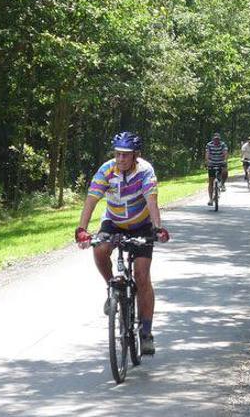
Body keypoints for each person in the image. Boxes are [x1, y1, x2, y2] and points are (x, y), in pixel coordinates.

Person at [74, 131, 170, 356]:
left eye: (125, 155)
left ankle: (146, 333)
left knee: (142, 275)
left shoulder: (145, 171)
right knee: (99, 250)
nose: (120, 159)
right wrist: (81, 230)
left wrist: (157, 228)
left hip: (141, 225)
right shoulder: (106, 170)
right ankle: (112, 288)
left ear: (136, 155)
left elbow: (151, 200)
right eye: (117, 154)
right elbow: (91, 199)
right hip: (113, 221)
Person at [205, 133, 228, 205]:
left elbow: (225, 153)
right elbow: (207, 153)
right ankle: (211, 199)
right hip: (211, 163)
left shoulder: (223, 144)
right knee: (211, 181)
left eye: (217, 139)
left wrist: (225, 160)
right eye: (215, 139)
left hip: (221, 162)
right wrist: (207, 161)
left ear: (219, 139)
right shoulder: (209, 145)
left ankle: (222, 184)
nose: (216, 141)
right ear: (213, 139)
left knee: (225, 172)